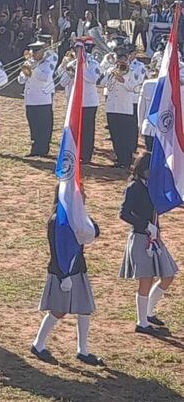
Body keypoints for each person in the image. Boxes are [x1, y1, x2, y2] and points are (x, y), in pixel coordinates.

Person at [31, 184, 103, 366]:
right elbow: (57, 250)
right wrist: (64, 276)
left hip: (78, 268)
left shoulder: (78, 217)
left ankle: (83, 350)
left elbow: (95, 231)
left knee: (85, 309)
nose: (84, 196)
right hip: (62, 271)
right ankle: (38, 344)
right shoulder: (56, 220)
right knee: (58, 309)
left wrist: (83, 217)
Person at [118, 152, 178, 336]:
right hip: (140, 238)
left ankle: (149, 312)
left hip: (154, 237)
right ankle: (141, 322)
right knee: (146, 280)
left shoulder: (151, 186)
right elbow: (124, 213)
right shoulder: (134, 187)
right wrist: (145, 225)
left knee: (168, 274)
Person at [61, 40, 101, 164]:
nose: (76, 52)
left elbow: (93, 78)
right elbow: (62, 82)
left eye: (79, 49)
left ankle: (86, 155)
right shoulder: (72, 63)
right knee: (75, 128)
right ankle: (76, 152)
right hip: (74, 101)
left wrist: (80, 69)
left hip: (88, 101)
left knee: (87, 130)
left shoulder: (92, 63)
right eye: (75, 49)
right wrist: (68, 72)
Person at [104, 50, 143, 169]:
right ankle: (119, 158)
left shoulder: (131, 72)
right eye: (118, 60)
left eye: (122, 60)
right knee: (115, 135)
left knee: (124, 135)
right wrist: (110, 72)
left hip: (124, 107)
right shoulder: (111, 70)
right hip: (111, 107)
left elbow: (134, 88)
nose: (120, 63)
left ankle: (126, 160)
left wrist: (123, 80)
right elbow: (101, 82)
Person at [17, 41, 57, 157]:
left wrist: (32, 69)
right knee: (33, 125)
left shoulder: (47, 63)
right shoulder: (28, 62)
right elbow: (21, 80)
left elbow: (45, 77)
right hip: (30, 99)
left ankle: (43, 149)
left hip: (42, 99)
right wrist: (25, 70)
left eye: (36, 51)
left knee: (44, 125)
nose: (33, 54)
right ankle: (35, 149)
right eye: (32, 51)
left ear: (42, 52)